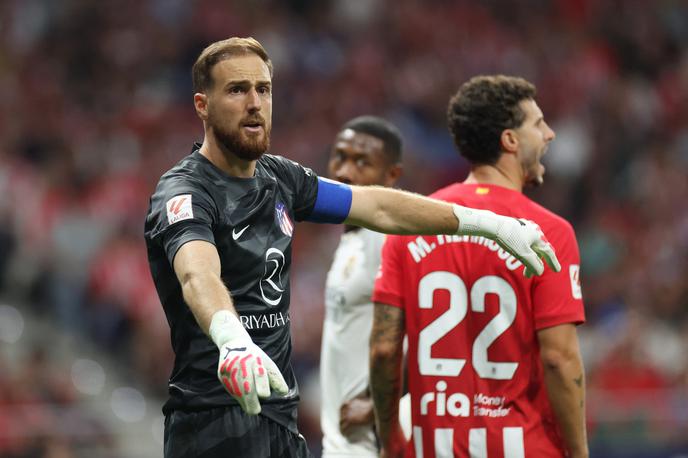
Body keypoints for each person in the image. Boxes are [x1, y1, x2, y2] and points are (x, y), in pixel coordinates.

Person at [144, 37, 559, 458]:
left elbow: (377, 205)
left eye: (263, 89)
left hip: (278, 420)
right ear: (202, 105)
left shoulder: (280, 179)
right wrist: (232, 338)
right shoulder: (186, 190)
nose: (255, 103)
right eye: (237, 90)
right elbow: (198, 273)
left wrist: (487, 223)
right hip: (211, 420)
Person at [370, 75, 588, 458]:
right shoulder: (548, 233)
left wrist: (390, 443)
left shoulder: (409, 227)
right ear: (510, 141)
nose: (550, 134)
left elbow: (385, 349)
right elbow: (559, 358)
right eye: (538, 124)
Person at [319, 115, 403, 458]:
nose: (344, 171)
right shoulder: (353, 234)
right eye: (340, 156)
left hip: (369, 443)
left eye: (362, 162)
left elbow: (429, 335)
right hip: (341, 442)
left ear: (392, 176)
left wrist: (377, 407)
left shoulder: (389, 240)